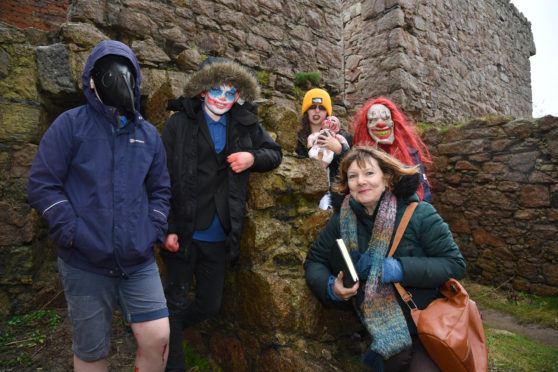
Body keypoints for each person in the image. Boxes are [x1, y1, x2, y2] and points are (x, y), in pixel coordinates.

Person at [27, 40, 171, 371]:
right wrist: (71, 230)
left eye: (125, 70)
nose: (116, 77)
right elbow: (42, 184)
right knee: (92, 353)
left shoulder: (148, 135)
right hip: (85, 262)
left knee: (157, 336)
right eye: (105, 69)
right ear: (91, 79)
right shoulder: (70, 125)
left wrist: (153, 228)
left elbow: (161, 187)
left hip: (137, 260)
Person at [161, 57, 282, 371]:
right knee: (174, 303)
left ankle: (160, 330)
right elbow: (161, 178)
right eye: (216, 90)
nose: (222, 99)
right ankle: (173, 361)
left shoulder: (245, 123)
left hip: (219, 234)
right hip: (182, 231)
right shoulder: (178, 123)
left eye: (230, 93)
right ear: (202, 90)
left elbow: (275, 153)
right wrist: (168, 227)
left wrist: (251, 157)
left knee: (209, 305)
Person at [304, 147, 465, 372]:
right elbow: (314, 261)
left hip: (427, 323)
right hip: (380, 326)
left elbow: (454, 263)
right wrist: (331, 287)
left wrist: (399, 268)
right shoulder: (342, 220)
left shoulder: (420, 214)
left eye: (369, 173)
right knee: (394, 361)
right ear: (346, 184)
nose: (361, 181)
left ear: (387, 178)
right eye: (353, 176)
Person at [350, 97, 433, 202]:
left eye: (385, 119)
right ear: (366, 126)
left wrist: (423, 211)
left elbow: (424, 189)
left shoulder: (410, 153)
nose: (381, 124)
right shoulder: (359, 156)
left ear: (394, 122)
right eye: (373, 120)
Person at [296, 88, 352, 209]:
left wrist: (340, 151)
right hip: (307, 199)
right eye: (312, 107)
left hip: (337, 200)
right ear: (306, 111)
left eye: (321, 108)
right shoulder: (297, 139)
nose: (317, 111)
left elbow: (354, 165)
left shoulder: (342, 137)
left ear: (327, 113)